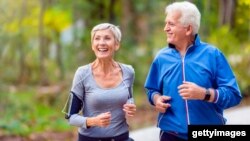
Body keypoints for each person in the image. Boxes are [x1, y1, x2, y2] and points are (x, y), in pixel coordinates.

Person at [144, 1, 242, 141]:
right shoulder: (161, 58)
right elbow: (151, 90)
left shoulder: (213, 55)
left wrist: (204, 94)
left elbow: (233, 95)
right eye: (166, 23)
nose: (165, 28)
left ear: (188, 29)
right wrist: (156, 99)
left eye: (171, 24)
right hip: (171, 135)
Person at [62, 23, 136, 141]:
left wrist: (131, 106)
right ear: (92, 45)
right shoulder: (82, 73)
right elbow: (70, 116)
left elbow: (129, 98)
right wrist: (93, 121)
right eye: (97, 38)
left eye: (107, 38)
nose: (101, 42)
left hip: (121, 138)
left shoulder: (128, 72)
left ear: (116, 44)